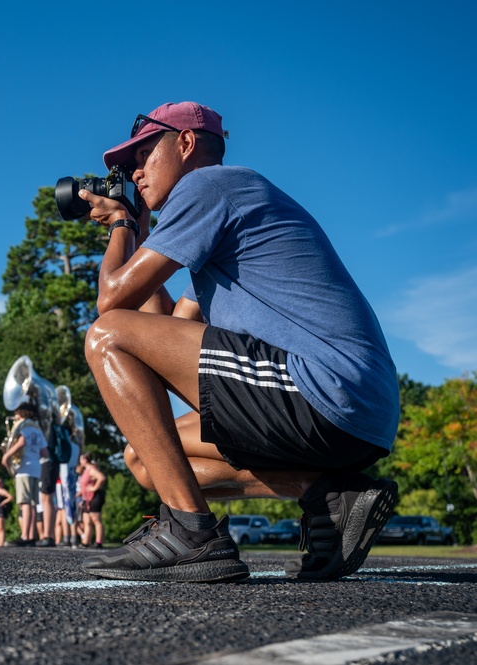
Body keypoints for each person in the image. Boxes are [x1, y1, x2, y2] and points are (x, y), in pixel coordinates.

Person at [77, 101, 399, 582]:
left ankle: (191, 534)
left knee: (105, 337)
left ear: (185, 144)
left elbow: (113, 305)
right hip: (350, 411)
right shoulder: (222, 229)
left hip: (328, 390)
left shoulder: (208, 185)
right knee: (146, 458)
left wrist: (123, 226)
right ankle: (324, 492)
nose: (134, 173)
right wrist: (142, 230)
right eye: (128, 167)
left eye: (142, 155)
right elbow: (166, 327)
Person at [0, 403, 47, 547]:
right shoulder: (38, 430)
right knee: (32, 504)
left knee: (24, 503)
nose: (15, 417)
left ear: (22, 413)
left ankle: (25, 535)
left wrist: (7, 455)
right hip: (36, 468)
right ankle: (31, 536)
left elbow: (22, 442)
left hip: (24, 468)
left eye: (17, 413)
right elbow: (45, 453)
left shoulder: (24, 428)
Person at [77, 453, 106, 549]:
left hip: (95, 497)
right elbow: (84, 486)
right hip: (86, 499)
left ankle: (99, 541)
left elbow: (101, 477)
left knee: (96, 520)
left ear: (85, 460)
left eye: (81, 459)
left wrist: (94, 488)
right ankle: (85, 542)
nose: (80, 462)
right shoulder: (85, 471)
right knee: (86, 521)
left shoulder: (91, 469)